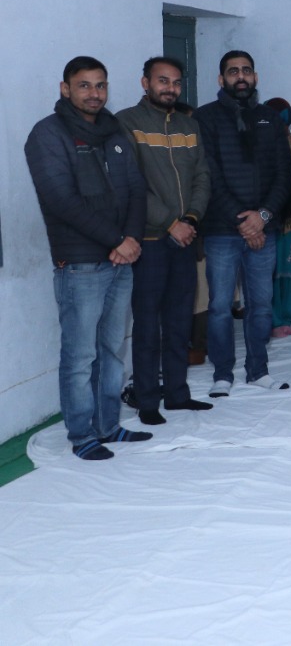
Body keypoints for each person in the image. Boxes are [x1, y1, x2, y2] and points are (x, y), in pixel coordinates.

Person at [25, 56, 151, 460]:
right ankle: (81, 435)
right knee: (81, 356)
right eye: (84, 85)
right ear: (65, 89)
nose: (94, 93)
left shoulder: (115, 132)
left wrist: (131, 239)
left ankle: (108, 425)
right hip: (79, 263)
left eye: (100, 85)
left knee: (111, 350)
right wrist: (117, 239)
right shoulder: (47, 134)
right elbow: (61, 200)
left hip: (120, 261)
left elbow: (136, 189)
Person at [117, 56, 213, 425]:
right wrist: (170, 222)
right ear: (145, 83)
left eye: (175, 82)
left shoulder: (190, 125)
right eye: (162, 80)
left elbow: (202, 176)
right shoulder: (127, 123)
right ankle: (147, 400)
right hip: (150, 240)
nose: (170, 88)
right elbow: (131, 183)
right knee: (147, 324)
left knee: (179, 320)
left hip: (185, 239)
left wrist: (191, 219)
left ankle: (177, 394)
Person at [195, 50, 291, 396]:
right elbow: (208, 175)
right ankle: (222, 373)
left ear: (255, 77)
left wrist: (262, 217)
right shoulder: (205, 118)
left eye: (246, 70)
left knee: (261, 305)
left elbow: (284, 175)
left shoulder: (270, 119)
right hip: (222, 230)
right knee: (220, 306)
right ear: (221, 79)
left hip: (264, 229)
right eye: (233, 71)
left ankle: (258, 370)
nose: (241, 76)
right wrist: (244, 221)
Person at [262, 97, 291, 339]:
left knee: (289, 271)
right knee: (267, 272)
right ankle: (271, 321)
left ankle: (285, 320)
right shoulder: (257, 144)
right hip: (265, 220)